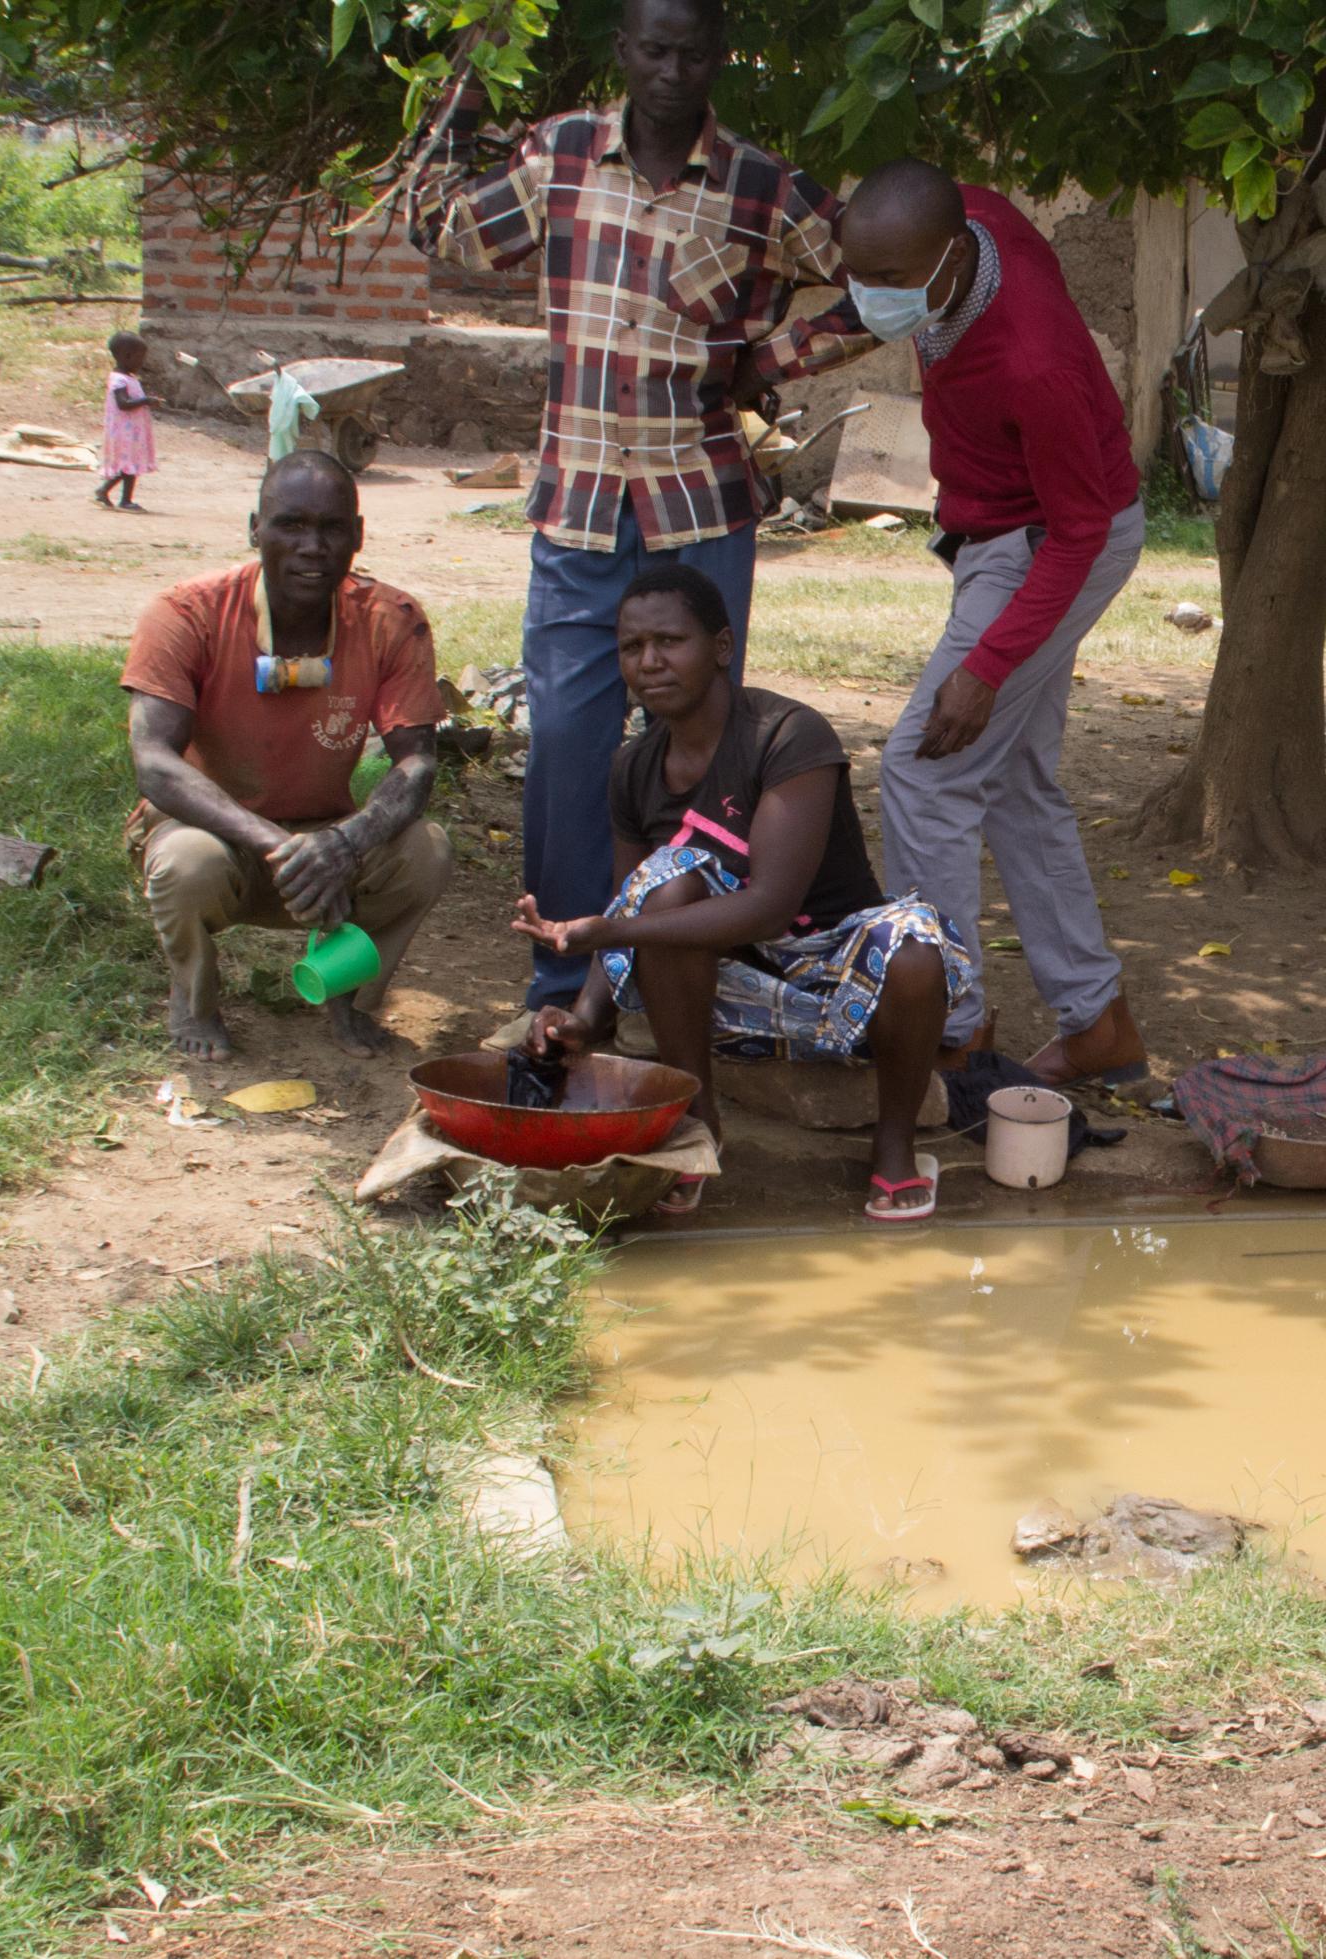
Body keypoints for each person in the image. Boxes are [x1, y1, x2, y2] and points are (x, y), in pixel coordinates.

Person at [408, 0, 874, 1010]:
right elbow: (446, 231)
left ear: (717, 61)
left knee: (700, 758)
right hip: (578, 503)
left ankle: (679, 971)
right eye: (653, 51)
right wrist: (458, 92)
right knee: (569, 751)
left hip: (701, 506)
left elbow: (878, 278)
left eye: (692, 53)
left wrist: (773, 357)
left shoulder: (761, 185)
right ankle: (563, 987)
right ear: (623, 53)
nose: (671, 71)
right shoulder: (562, 152)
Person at [511, 566, 973, 1221]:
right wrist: (582, 1017)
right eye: (630, 647)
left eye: (669, 641)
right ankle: (699, 1126)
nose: (648, 662)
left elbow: (771, 905)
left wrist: (611, 931)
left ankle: (892, 1144)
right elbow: (631, 898)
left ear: (721, 648)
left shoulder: (785, 735)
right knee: (666, 885)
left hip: (834, 973)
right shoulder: (633, 766)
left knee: (916, 950)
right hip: (722, 992)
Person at [833, 159, 1149, 1087]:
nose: (870, 298)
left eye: (890, 282)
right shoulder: (968, 220)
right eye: (861, 274)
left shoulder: (1033, 358)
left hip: (1051, 539)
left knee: (923, 769)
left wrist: (989, 664)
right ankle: (1099, 1023)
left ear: (947, 258)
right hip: (995, 529)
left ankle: (949, 1022)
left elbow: (1082, 529)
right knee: (1009, 778)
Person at [122, 451, 453, 1061]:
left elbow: (418, 764)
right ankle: (193, 1000)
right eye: (291, 525)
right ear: (255, 529)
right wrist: (278, 844)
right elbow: (155, 764)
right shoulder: (185, 613)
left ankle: (347, 993)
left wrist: (345, 843)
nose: (312, 547)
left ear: (357, 536)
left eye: (332, 529)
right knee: (186, 865)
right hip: (214, 833)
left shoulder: (391, 621)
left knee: (426, 851)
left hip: (323, 844)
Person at [96, 330, 154, 512]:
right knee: (130, 467)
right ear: (127, 356)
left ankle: (103, 491)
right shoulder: (119, 380)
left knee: (128, 466)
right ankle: (125, 501)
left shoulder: (128, 378)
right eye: (139, 358)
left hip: (132, 431)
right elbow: (123, 404)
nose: (142, 362)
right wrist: (146, 401)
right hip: (124, 432)